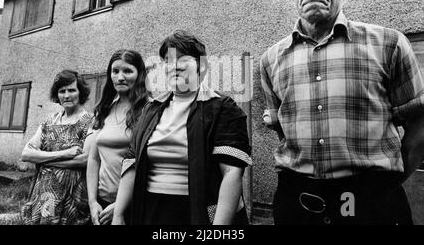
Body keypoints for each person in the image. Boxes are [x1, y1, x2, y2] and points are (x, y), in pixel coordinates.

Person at [260, 0, 424, 225]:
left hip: (373, 204)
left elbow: (419, 125)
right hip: (298, 203)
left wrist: (384, 186)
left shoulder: (389, 44)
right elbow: (283, 132)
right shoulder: (271, 60)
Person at [112, 30, 252, 225]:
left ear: (201, 66)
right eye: (168, 61)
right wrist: (118, 214)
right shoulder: (151, 110)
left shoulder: (222, 108)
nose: (174, 66)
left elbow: (232, 173)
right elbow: (132, 161)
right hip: (150, 211)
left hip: (198, 214)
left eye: (182, 59)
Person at [21, 70, 93, 225]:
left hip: (73, 196)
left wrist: (43, 159)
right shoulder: (49, 121)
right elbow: (26, 154)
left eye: (72, 90)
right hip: (44, 195)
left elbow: (84, 159)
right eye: (62, 91)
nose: (66, 95)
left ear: (81, 92)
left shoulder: (90, 121)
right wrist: (66, 153)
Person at [86, 49, 149, 225]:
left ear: (139, 75)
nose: (120, 77)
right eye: (115, 71)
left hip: (133, 205)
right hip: (101, 203)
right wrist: (92, 202)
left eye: (128, 71)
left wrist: (119, 206)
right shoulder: (104, 109)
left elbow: (148, 164)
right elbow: (93, 158)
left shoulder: (149, 110)